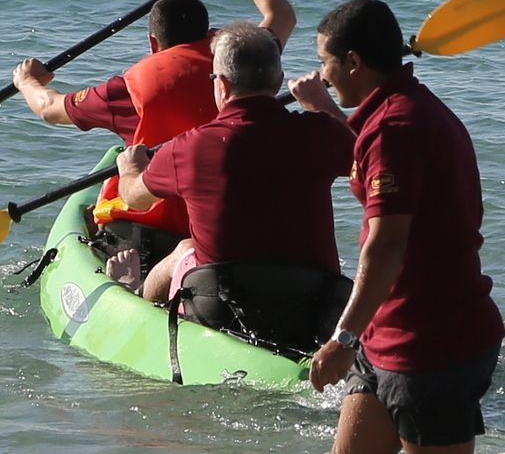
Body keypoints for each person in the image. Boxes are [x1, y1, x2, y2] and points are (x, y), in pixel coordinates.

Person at [294, 0, 503, 454]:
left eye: (326, 61)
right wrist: (326, 111)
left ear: (354, 62)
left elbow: (387, 244)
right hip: (387, 333)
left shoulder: (396, 127)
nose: (323, 72)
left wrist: (342, 337)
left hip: (430, 343)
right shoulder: (396, 112)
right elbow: (375, 171)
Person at [11, 0, 293, 290]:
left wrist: (27, 82)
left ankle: (131, 286)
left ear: (153, 45)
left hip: (146, 234)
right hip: (218, 235)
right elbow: (281, 15)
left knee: (107, 197)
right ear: (208, 34)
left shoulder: (133, 86)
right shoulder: (241, 60)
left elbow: (50, 109)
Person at [106, 22, 354, 351]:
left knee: (184, 250)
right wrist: (322, 104)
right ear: (278, 81)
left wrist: (130, 168)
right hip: (315, 306)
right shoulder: (321, 133)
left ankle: (138, 305)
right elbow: (370, 156)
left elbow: (134, 198)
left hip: (222, 306)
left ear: (221, 85)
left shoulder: (189, 147)